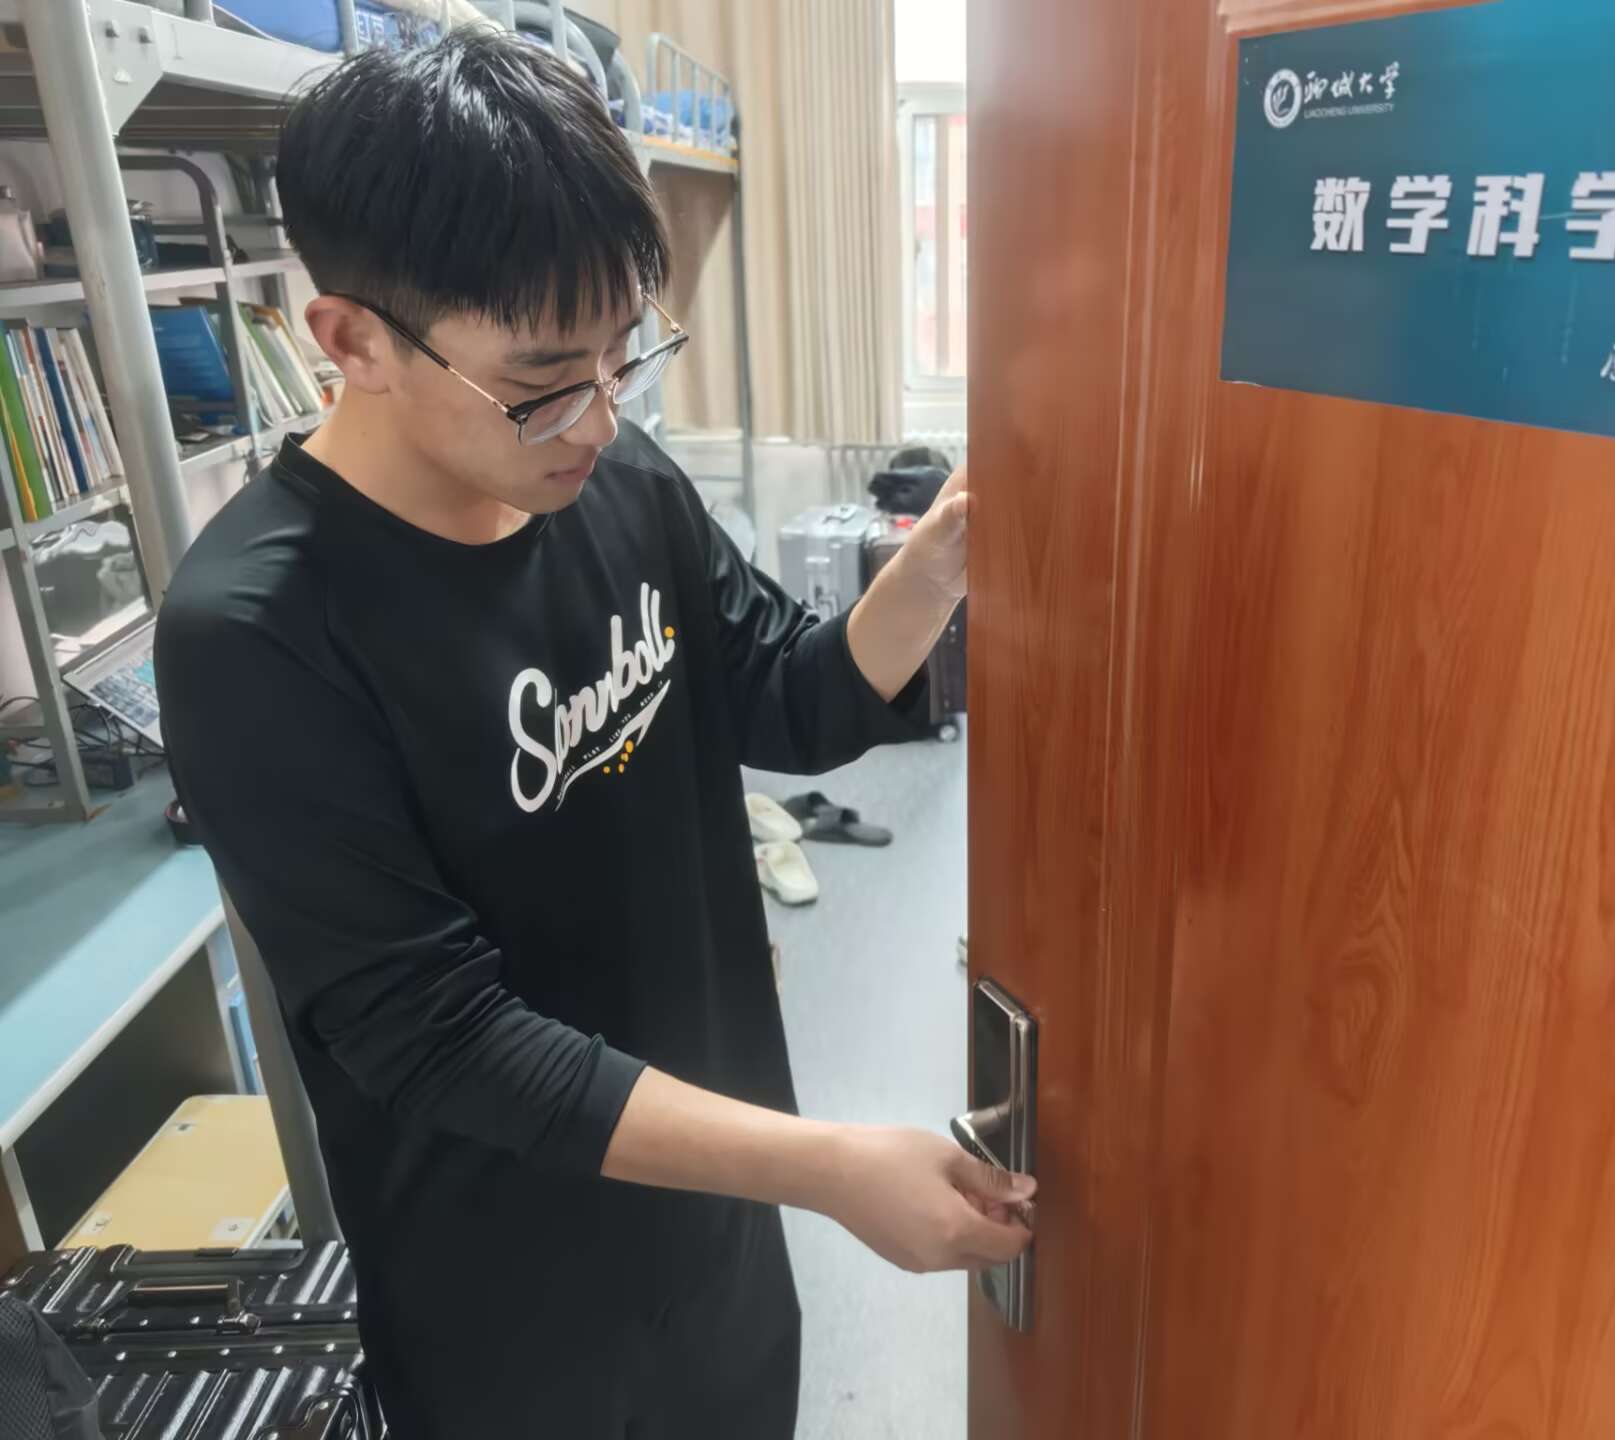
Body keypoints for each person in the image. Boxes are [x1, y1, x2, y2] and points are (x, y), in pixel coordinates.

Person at [154, 30, 1032, 1440]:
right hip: (512, 1297)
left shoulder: (615, 480)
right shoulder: (259, 632)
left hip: (722, 1197)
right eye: (545, 376)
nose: (600, 417)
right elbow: (443, 1038)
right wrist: (826, 1167)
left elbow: (788, 693)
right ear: (352, 340)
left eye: (626, 353)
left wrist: (933, 565)